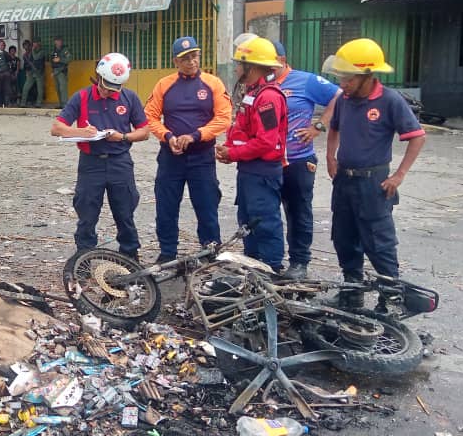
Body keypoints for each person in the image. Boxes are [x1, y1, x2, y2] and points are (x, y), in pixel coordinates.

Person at [324, 38, 426, 309]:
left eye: (347, 78)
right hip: (344, 180)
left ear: (367, 75)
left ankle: (390, 298)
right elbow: (333, 128)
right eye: (341, 77)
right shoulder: (344, 100)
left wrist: (399, 175)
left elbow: (416, 137)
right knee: (344, 238)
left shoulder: (390, 100)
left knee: (378, 241)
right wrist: (330, 157)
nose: (342, 83)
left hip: (374, 183)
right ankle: (352, 291)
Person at [51, 53, 150, 258]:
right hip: (91, 164)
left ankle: (130, 258)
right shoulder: (82, 97)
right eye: (104, 87)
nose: (107, 92)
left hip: (120, 162)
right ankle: (84, 259)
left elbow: (144, 131)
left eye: (113, 89)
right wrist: (81, 133)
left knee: (125, 213)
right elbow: (57, 128)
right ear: (98, 77)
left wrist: (122, 136)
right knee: (87, 214)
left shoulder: (129, 98)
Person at [145, 36, 232, 262]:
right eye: (185, 58)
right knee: (166, 205)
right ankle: (167, 253)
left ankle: (210, 250)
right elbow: (150, 117)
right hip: (170, 157)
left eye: (194, 56)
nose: (191, 62)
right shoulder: (164, 85)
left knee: (207, 204)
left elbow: (224, 119)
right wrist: (167, 136)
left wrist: (196, 135)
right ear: (176, 61)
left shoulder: (213, 84)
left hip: (202, 156)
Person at [216, 37, 288, 273]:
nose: (236, 68)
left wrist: (234, 153)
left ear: (253, 66)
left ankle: (270, 271)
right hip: (249, 170)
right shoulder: (253, 93)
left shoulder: (268, 98)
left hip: (262, 171)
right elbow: (243, 128)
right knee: (248, 222)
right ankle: (253, 268)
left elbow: (266, 141)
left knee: (264, 222)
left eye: (239, 64)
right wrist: (229, 149)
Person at [270, 39, 341, 279]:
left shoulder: (306, 80)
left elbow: (339, 96)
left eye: (270, 63)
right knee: (268, 212)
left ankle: (299, 263)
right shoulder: (261, 84)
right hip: (269, 161)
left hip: (299, 160)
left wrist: (318, 126)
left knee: (298, 212)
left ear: (281, 59)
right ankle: (271, 261)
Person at [20, 38, 46, 107]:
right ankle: (23, 103)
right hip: (30, 73)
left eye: (27, 45)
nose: (26, 47)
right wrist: (27, 71)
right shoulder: (25, 55)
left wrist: (33, 50)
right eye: (24, 46)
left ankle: (38, 103)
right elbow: (26, 65)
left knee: (40, 89)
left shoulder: (38, 51)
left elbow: (36, 58)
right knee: (25, 88)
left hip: (39, 72)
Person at [50, 36, 71, 105]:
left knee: (63, 89)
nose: (59, 42)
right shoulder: (54, 50)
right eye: (57, 41)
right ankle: (61, 104)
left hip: (62, 71)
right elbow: (52, 61)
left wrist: (60, 59)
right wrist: (52, 71)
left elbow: (69, 59)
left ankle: (65, 105)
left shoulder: (65, 50)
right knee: (58, 89)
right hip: (55, 72)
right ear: (55, 42)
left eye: (60, 41)